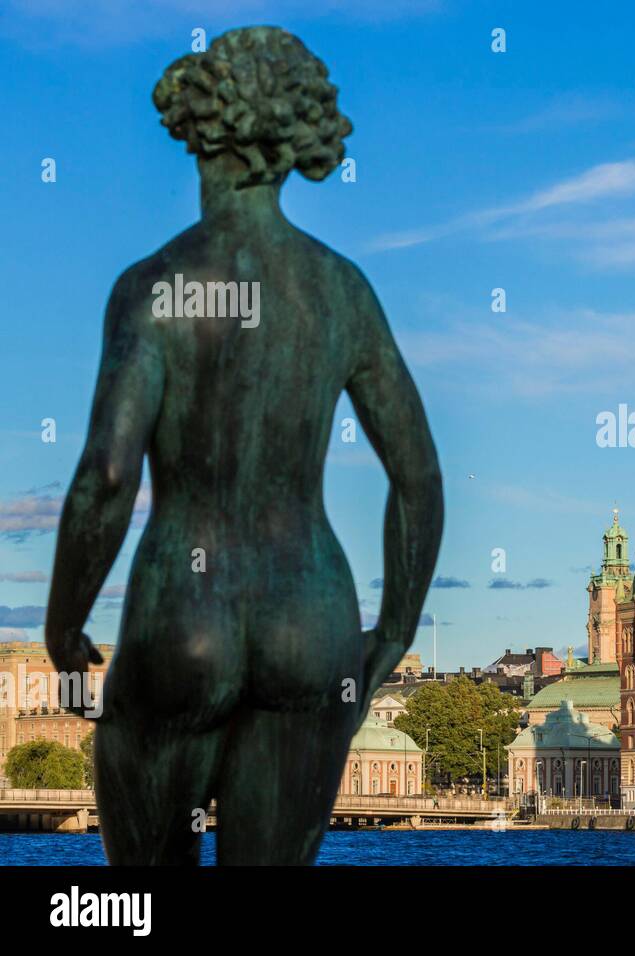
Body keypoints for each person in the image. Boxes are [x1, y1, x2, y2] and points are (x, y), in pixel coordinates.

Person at [44, 27, 443, 865]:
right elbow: (416, 475)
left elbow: (107, 476)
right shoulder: (340, 291)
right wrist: (395, 631)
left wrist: (65, 621)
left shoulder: (154, 287)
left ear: (199, 130)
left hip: (182, 616)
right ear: (295, 140)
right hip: (314, 621)